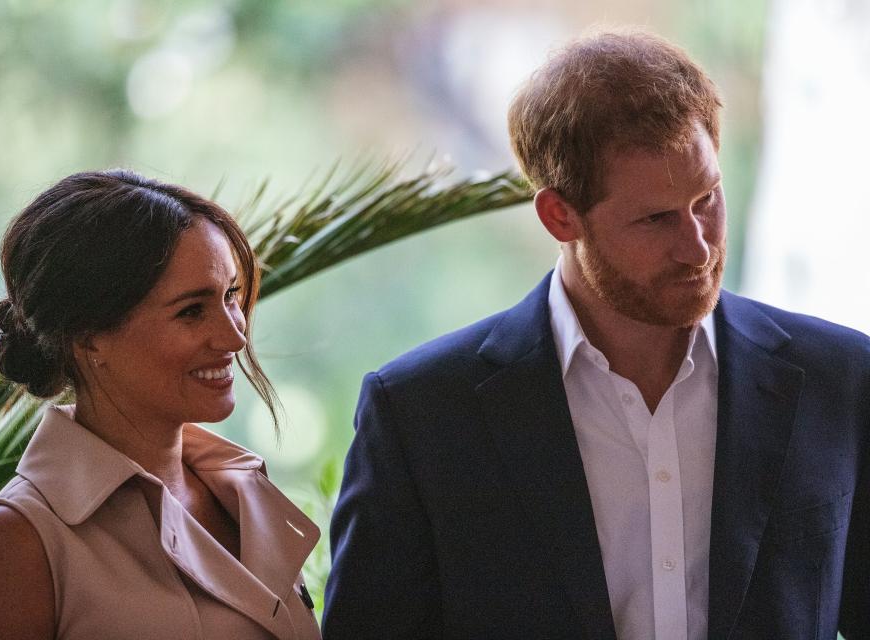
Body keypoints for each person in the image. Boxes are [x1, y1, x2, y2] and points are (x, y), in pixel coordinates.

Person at [323, 30, 870, 640]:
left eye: (707, 198)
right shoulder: (423, 413)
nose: (697, 247)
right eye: (655, 218)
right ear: (560, 216)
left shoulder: (840, 378)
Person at [0, 170, 321, 640]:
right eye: (191, 311)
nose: (235, 335)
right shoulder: (17, 542)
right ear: (88, 338)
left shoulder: (244, 491)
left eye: (231, 296)